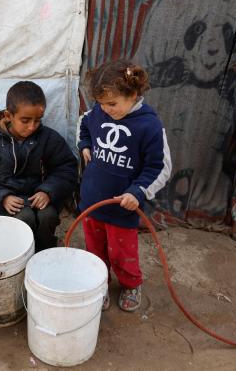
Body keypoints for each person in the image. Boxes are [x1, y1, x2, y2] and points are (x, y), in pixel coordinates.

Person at [78, 60, 171, 312]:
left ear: (132, 95)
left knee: (122, 253)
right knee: (94, 251)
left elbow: (160, 168)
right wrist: (84, 144)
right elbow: (84, 123)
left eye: (112, 104)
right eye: (101, 104)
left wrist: (137, 191)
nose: (106, 110)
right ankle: (99, 284)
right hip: (91, 202)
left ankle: (131, 284)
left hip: (122, 208)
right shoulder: (99, 112)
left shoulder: (149, 126)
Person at [0, 81, 78, 251]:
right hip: (11, 201)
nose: (32, 127)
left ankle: (44, 252)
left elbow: (65, 168)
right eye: (25, 120)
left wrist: (47, 191)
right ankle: (19, 252)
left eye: (38, 120)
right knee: (24, 218)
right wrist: (2, 197)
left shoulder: (49, 138)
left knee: (47, 216)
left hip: (40, 197)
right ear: (8, 115)